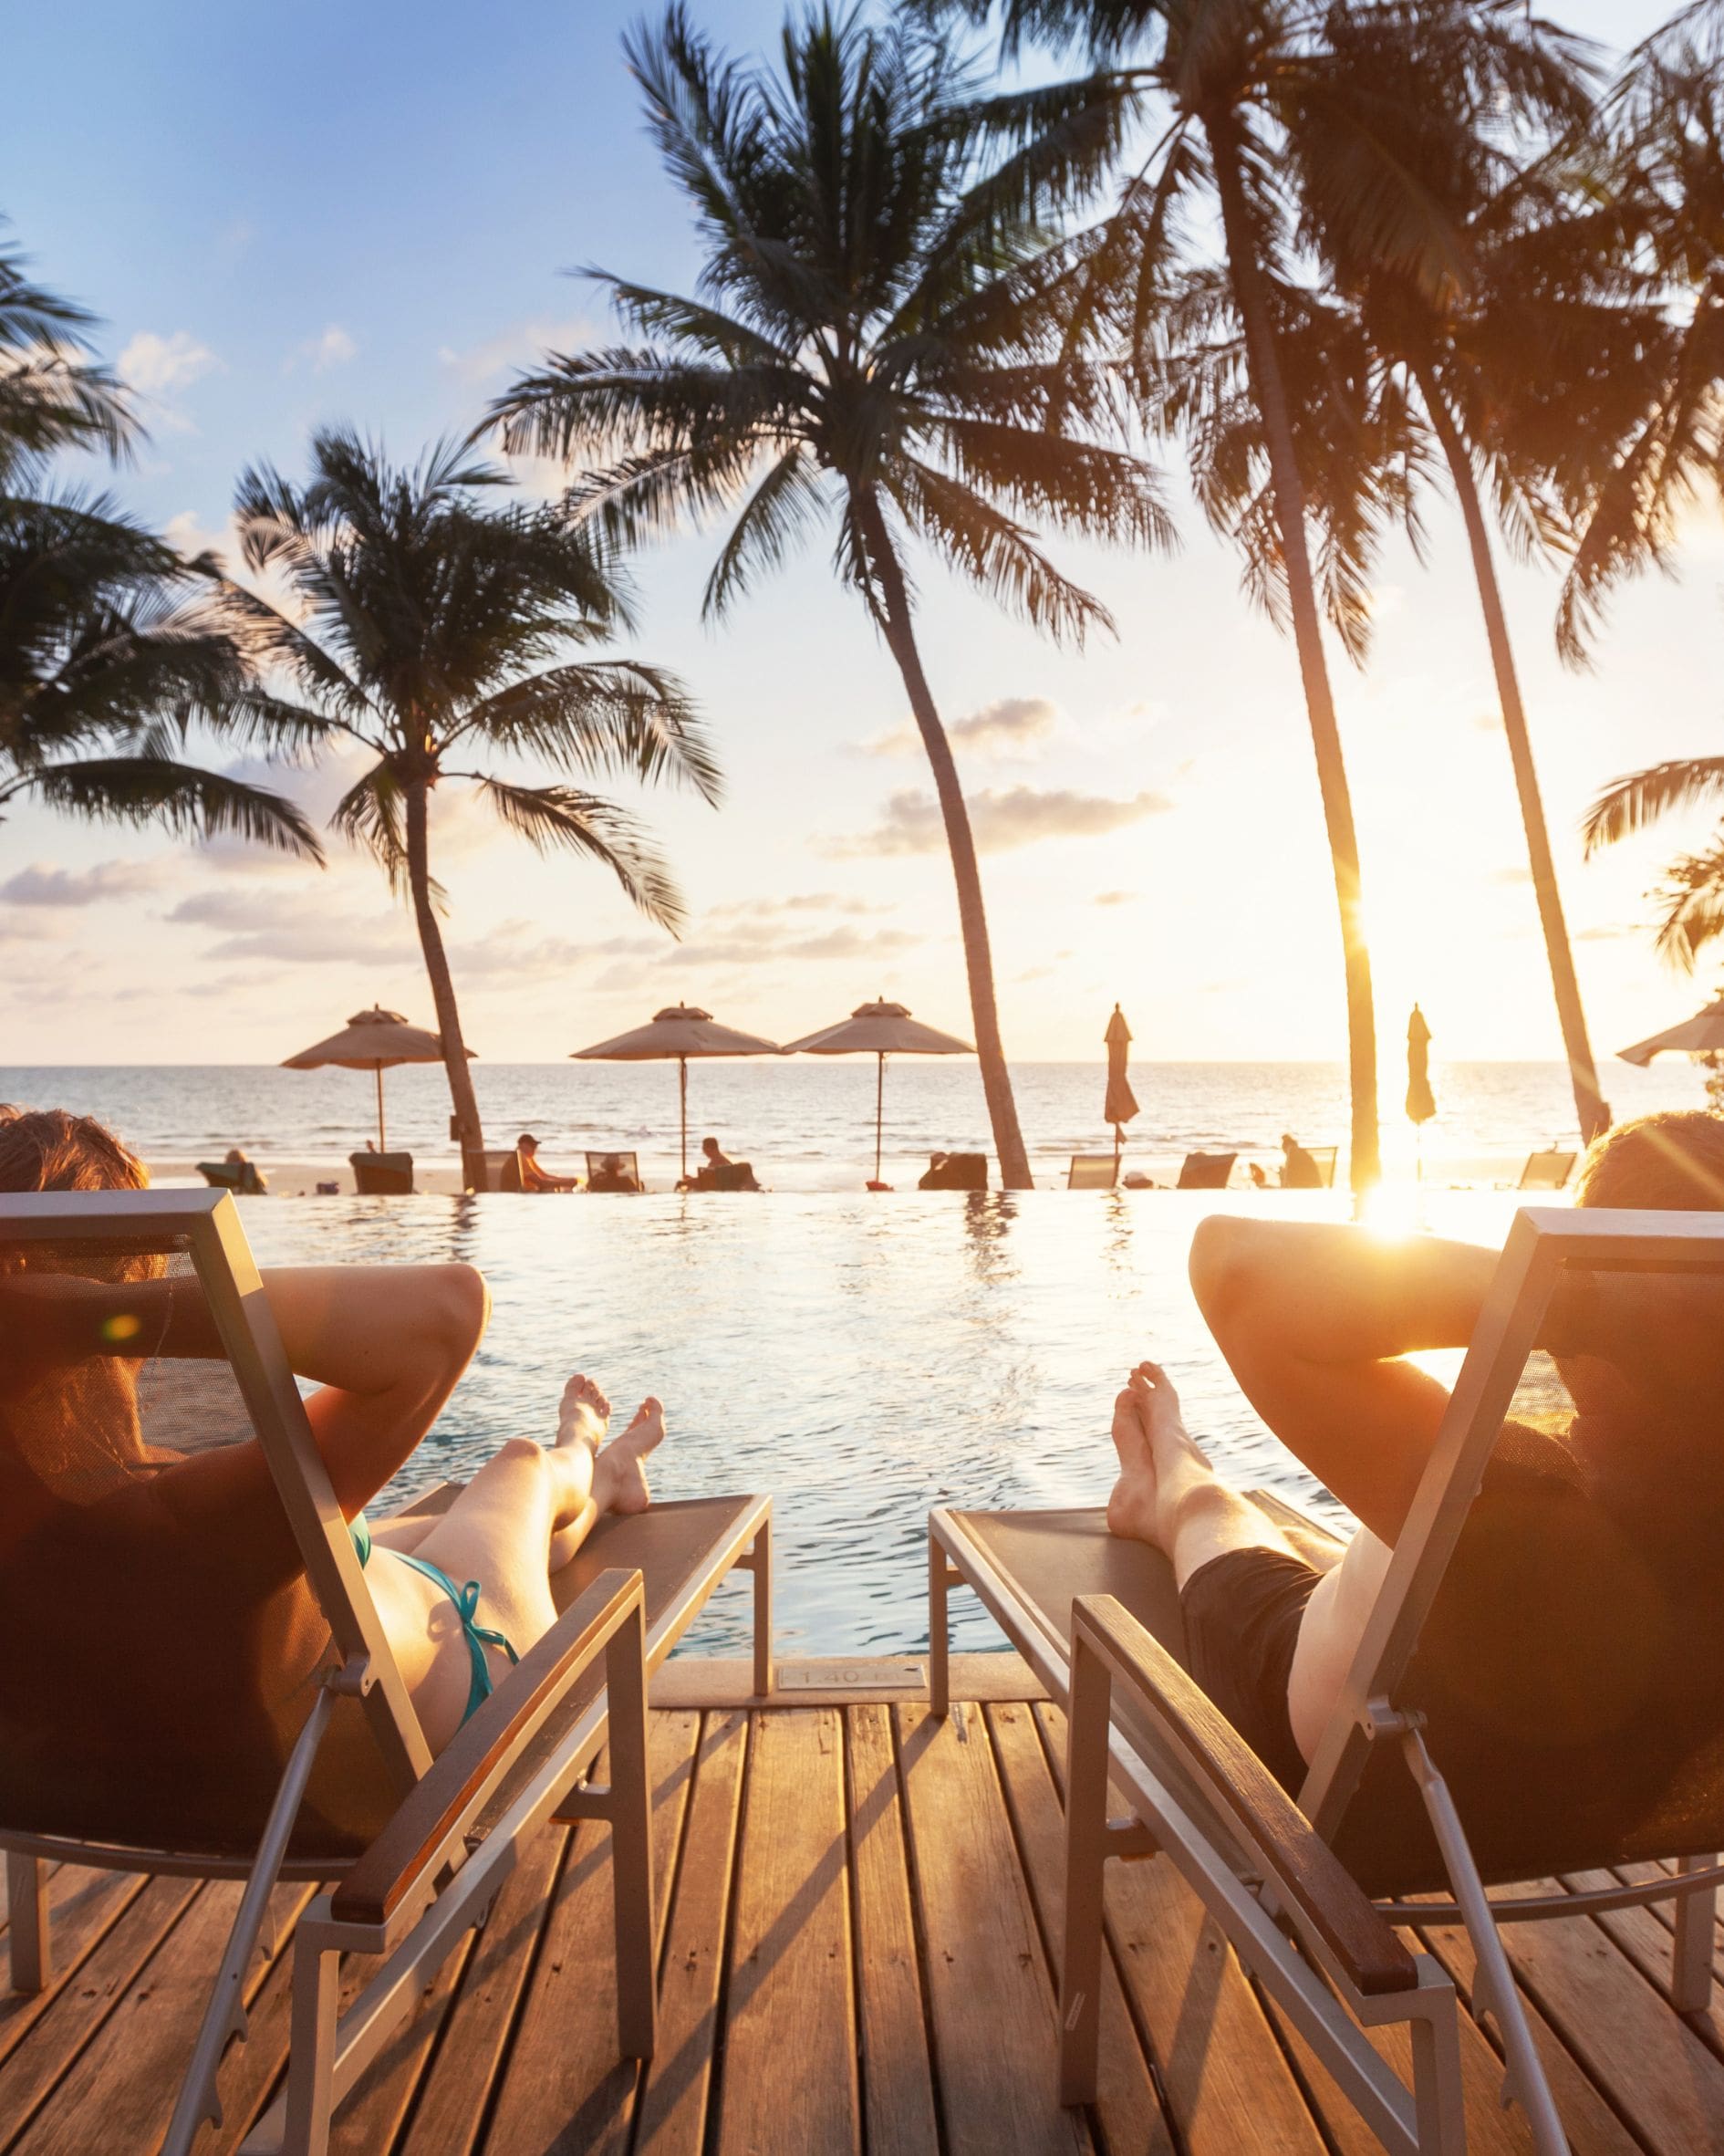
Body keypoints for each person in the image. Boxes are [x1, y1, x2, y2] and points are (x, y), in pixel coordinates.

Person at [0, 1107, 670, 1817]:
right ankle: (593, 1446)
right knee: (522, 1465)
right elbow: (450, 1307)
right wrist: (98, 1316)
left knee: (432, 1529)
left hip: (189, 1735)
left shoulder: (80, 1509)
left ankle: (605, 1481)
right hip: (468, 1675)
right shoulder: (188, 1514)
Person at [1103, 1110, 1724, 1805]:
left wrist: (1576, 1298)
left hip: (1328, 1733)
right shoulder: (1683, 1522)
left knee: (1209, 1508)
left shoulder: (1537, 1506)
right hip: (1600, 1792)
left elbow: (1230, 1263)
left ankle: (1167, 1476)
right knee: (1353, 1545)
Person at [515, 1132, 579, 1192]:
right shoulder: (521, 1158)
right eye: (533, 1145)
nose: (535, 1148)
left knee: (557, 1188)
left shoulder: (527, 1158)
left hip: (529, 1190)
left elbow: (543, 1176)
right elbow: (541, 1183)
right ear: (523, 1145)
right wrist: (565, 1183)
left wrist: (568, 1180)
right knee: (551, 1189)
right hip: (526, 1192)